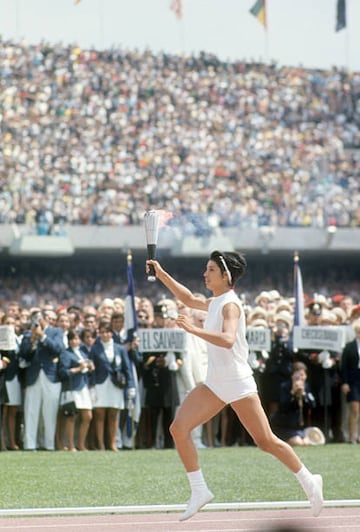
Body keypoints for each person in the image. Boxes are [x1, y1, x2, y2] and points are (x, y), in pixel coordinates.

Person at [146, 251, 323, 522]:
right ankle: (199, 490)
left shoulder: (231, 305)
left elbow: (228, 339)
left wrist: (193, 330)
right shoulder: (215, 301)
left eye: (211, 270)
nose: (205, 274)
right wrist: (161, 274)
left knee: (266, 442)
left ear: (226, 276)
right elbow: (188, 299)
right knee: (178, 428)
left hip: (238, 382)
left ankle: (310, 482)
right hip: (215, 383)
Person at [19, 309, 65, 451]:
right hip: (33, 376)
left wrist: (43, 337)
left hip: (51, 376)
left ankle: (49, 444)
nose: (49, 320)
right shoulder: (28, 333)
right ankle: (30, 444)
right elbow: (24, 355)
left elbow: (58, 349)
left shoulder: (56, 332)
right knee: (31, 411)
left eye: (52, 318)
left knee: (50, 412)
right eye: (46, 317)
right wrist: (32, 341)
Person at [58, 330, 95, 451]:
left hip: (83, 386)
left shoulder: (83, 353)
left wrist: (90, 369)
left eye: (77, 338)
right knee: (71, 416)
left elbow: (86, 371)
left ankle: (81, 443)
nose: (75, 341)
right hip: (72, 387)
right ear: (69, 341)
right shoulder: (65, 354)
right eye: (72, 339)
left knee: (87, 416)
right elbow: (63, 372)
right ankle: (71, 445)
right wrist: (79, 368)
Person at [271, 362, 317, 446]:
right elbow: (283, 407)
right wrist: (292, 393)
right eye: (297, 376)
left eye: (302, 375)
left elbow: (313, 405)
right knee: (297, 442)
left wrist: (304, 395)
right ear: (292, 376)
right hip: (284, 426)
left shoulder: (306, 387)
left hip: (299, 427)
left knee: (306, 443)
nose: (300, 378)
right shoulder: (284, 387)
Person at [340, 319, 360, 444]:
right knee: (354, 409)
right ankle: (352, 436)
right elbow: (344, 367)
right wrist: (345, 382)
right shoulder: (349, 347)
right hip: (354, 381)